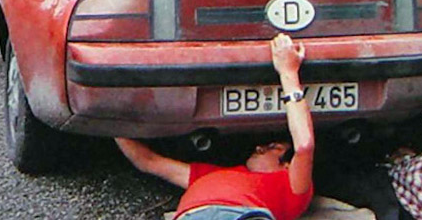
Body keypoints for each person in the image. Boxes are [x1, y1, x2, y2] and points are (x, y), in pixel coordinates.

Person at [115, 33, 314, 220]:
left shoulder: (291, 186)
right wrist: (108, 119)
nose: (259, 148)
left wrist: (288, 72)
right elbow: (147, 161)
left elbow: (304, 146)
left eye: (272, 147)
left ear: (288, 166)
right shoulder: (209, 174)